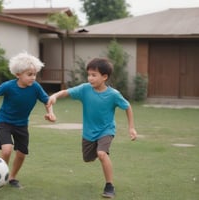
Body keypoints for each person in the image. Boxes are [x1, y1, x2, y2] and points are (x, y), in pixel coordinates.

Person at [47, 58, 137, 198]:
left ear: (104, 77)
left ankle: (109, 186)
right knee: (88, 158)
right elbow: (66, 92)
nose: (90, 78)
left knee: (102, 154)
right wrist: (55, 96)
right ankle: (99, 152)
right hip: (89, 132)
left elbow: (127, 107)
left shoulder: (113, 95)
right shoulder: (84, 89)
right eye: (88, 74)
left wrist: (131, 128)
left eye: (94, 75)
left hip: (107, 130)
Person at [0, 52, 56, 189]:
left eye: (34, 74)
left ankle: (12, 177)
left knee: (21, 154)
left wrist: (50, 113)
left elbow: (47, 101)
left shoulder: (35, 87)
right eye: (29, 74)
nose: (33, 78)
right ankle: (0, 176)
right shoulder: (8, 86)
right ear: (18, 74)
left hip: (22, 125)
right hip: (4, 122)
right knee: (6, 150)